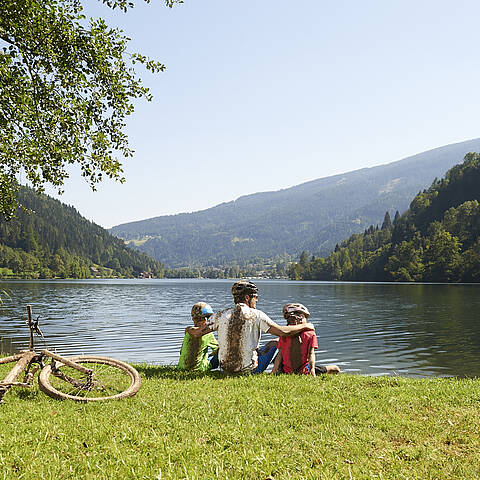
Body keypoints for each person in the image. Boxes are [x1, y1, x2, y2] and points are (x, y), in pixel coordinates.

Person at [189, 281, 317, 374]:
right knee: (275, 343)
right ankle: (283, 369)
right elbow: (282, 332)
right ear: (247, 297)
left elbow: (197, 333)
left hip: (226, 370)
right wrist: (305, 326)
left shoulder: (220, 315)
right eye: (255, 298)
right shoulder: (256, 315)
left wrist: (189, 329)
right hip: (249, 371)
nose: (256, 301)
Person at [272, 303, 340, 376]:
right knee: (336, 368)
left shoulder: (285, 333)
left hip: (287, 371)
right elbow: (311, 354)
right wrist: (312, 370)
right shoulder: (310, 334)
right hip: (304, 371)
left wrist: (274, 370)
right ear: (302, 317)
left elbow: (280, 354)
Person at [177, 302, 219, 371]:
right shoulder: (208, 334)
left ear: (193, 319)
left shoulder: (188, 331)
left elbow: (181, 352)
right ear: (207, 319)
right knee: (219, 353)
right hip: (200, 368)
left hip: (182, 368)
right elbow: (217, 350)